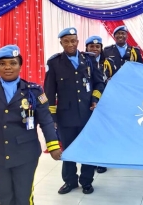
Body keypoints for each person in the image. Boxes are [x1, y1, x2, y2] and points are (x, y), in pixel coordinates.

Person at [0, 45, 62, 205]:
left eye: (12, 63)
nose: (7, 67)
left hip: (25, 154)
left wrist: (53, 145)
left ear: (20, 66)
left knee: (24, 194)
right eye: (2, 64)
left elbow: (47, 120)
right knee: (4, 196)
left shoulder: (33, 91)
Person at [44, 27, 105, 195]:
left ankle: (86, 181)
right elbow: (49, 92)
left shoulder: (90, 59)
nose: (70, 44)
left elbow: (99, 83)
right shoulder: (54, 63)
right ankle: (70, 181)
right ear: (61, 43)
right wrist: (53, 117)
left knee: (88, 148)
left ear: (78, 42)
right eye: (66, 41)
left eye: (73, 40)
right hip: (66, 116)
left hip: (88, 114)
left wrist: (95, 99)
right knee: (69, 150)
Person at [85, 35, 116, 174]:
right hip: (87, 102)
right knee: (91, 131)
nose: (94, 49)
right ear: (86, 47)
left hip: (106, 101)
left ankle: (101, 161)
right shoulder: (82, 61)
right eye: (91, 46)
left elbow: (115, 78)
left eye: (97, 47)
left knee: (103, 132)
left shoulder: (108, 62)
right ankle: (91, 159)